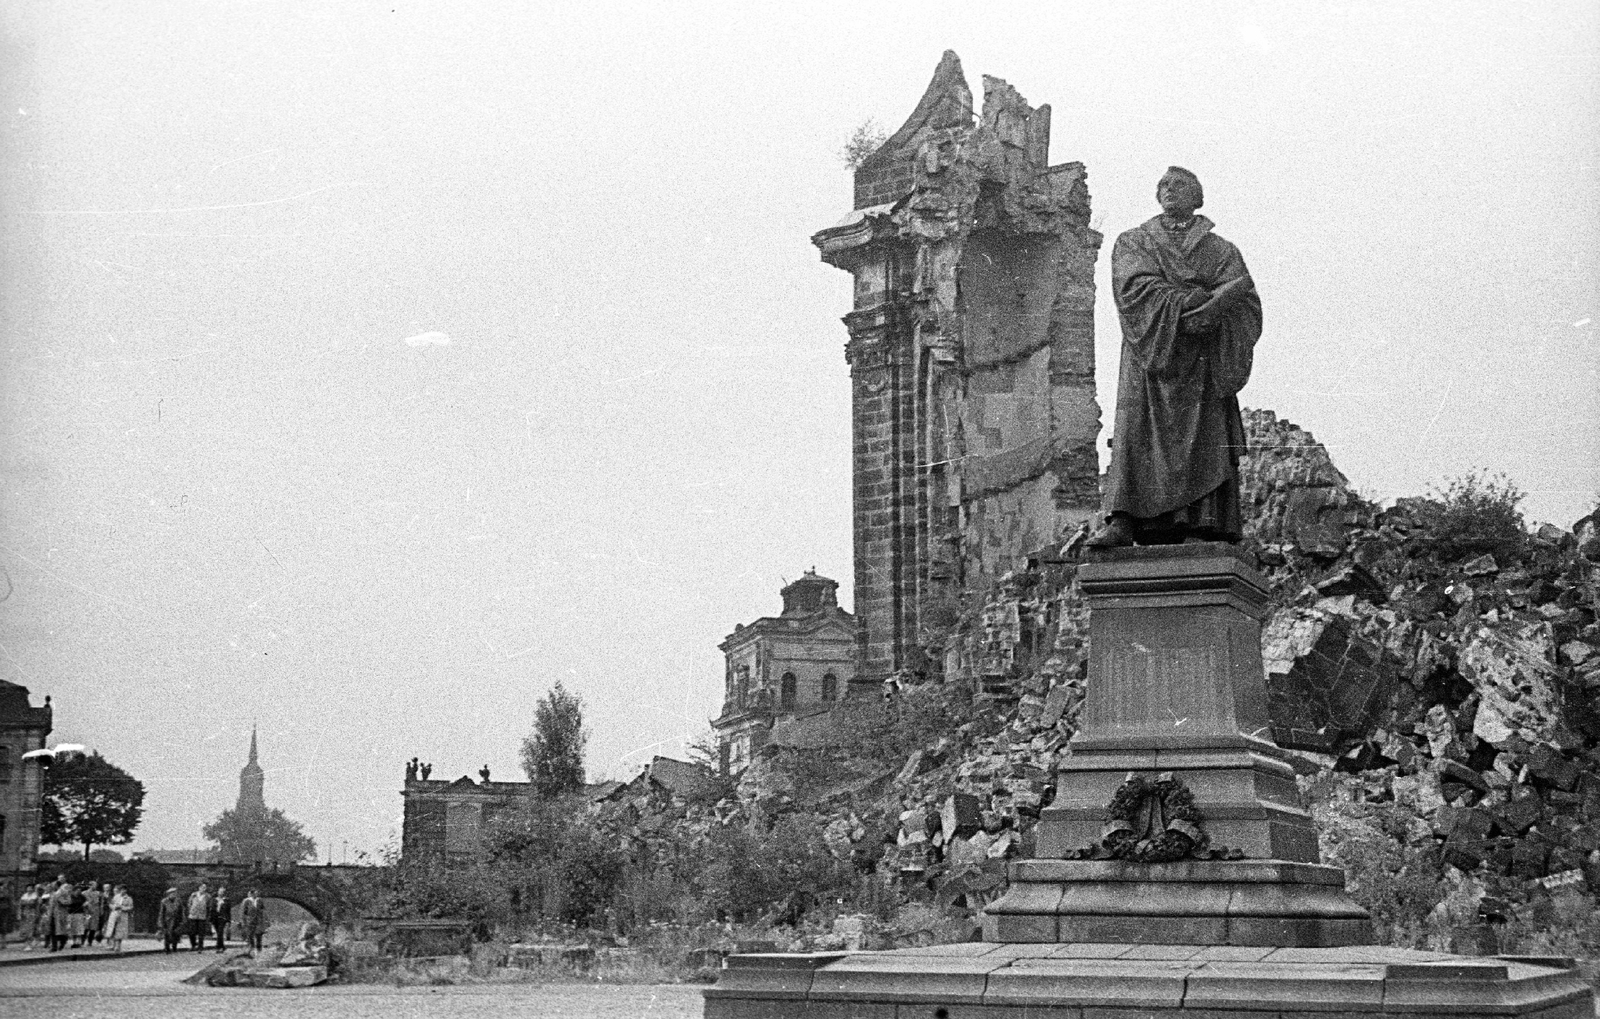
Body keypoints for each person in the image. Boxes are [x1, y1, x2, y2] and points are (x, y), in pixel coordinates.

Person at [1089, 166, 1262, 549]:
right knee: (1136, 428)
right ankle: (1124, 520)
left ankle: (1200, 524)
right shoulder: (1135, 241)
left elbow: (1245, 303)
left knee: (1201, 434)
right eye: (1163, 185)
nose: (1169, 190)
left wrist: (1217, 313)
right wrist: (1186, 302)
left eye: (1179, 185)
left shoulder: (1221, 250)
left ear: (1197, 196)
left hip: (1201, 359)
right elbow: (1133, 287)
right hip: (1150, 351)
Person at [103, 885, 133, 953]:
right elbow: (111, 904)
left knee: (120, 930)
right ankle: (112, 945)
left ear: (126, 890)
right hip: (115, 914)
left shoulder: (128, 898)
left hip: (123, 915)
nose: (123, 891)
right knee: (112, 929)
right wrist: (114, 907)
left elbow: (130, 907)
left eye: (124, 890)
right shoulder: (116, 897)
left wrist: (122, 907)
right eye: (121, 890)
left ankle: (118, 946)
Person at [238, 889, 267, 955]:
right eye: (255, 893)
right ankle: (252, 949)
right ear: (251, 894)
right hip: (250, 921)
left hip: (259, 921)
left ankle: (259, 949)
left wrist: (265, 920)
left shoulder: (259, 900)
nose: (256, 895)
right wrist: (243, 921)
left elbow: (263, 910)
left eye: (257, 893)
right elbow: (243, 912)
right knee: (250, 935)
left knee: (259, 935)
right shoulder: (246, 901)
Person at [47, 878, 72, 952]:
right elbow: (51, 904)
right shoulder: (52, 893)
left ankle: (63, 940)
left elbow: (69, 901)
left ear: (57, 885)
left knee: (60, 930)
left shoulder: (64, 892)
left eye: (53, 885)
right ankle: (54, 946)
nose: (52, 886)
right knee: (53, 930)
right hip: (53, 913)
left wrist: (62, 901)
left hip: (61, 913)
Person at [157, 887, 184, 953]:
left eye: (175, 893)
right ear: (168, 894)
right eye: (172, 894)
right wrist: (160, 922)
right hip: (167, 920)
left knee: (176, 933)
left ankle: (174, 947)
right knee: (167, 934)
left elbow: (181, 911)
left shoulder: (178, 901)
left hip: (176, 920)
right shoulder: (164, 901)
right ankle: (167, 948)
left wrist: (182, 920)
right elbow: (161, 912)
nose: (173, 895)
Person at [186, 882, 212, 951]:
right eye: (202, 887)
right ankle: (193, 945)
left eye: (205, 888)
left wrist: (207, 916)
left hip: (202, 916)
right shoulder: (193, 895)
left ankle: (200, 946)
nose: (203, 889)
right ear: (199, 888)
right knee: (191, 931)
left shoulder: (207, 896)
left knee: (201, 932)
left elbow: (209, 907)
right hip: (193, 915)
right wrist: (191, 911)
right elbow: (189, 903)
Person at [80, 882, 103, 948]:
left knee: (93, 927)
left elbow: (101, 903)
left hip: (95, 911)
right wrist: (84, 905)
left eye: (96, 885)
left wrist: (101, 910)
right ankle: (82, 941)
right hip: (87, 912)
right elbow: (81, 903)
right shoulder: (84, 893)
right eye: (94, 885)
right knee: (86, 926)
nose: (95, 887)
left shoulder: (98, 893)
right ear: (90, 885)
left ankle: (90, 942)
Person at [17, 884, 39, 950]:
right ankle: (27, 943)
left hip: (32, 914)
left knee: (31, 929)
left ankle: (29, 944)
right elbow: (20, 906)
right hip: (24, 914)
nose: (29, 889)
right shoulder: (24, 896)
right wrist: (19, 914)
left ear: (32, 889)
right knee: (24, 930)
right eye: (28, 888)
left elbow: (37, 907)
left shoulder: (35, 896)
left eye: (30, 888)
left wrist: (37, 914)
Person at [211, 885, 231, 952]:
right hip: (215, 918)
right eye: (220, 891)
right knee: (218, 932)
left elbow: (228, 911)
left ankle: (218, 947)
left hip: (222, 918)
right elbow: (212, 909)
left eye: (222, 892)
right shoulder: (214, 900)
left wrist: (228, 920)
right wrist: (211, 919)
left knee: (220, 932)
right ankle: (222, 946)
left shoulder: (226, 900)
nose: (221, 893)